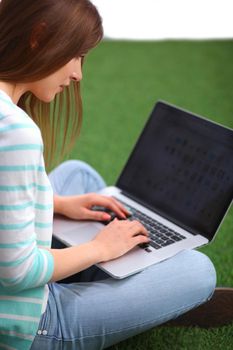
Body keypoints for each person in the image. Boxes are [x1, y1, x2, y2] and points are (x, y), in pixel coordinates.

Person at [0, 1, 218, 349]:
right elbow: (17, 272)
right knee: (199, 271)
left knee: (78, 175)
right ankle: (105, 267)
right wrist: (100, 248)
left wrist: (58, 204)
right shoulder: (15, 132)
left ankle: (103, 264)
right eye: (77, 55)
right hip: (25, 325)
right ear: (38, 37)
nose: (78, 74)